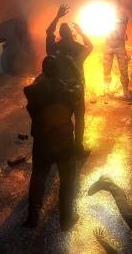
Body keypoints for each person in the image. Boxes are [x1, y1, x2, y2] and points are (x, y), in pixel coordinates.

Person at [22, 56, 82, 231]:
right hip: (64, 140)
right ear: (60, 71)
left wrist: (41, 80)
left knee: (39, 176)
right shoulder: (69, 90)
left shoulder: (34, 90)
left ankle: (32, 218)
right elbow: (78, 85)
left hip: (42, 139)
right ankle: (66, 219)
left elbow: (28, 90)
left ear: (44, 71)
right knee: (67, 179)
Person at [46, 4, 93, 157]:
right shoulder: (78, 48)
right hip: (77, 89)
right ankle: (78, 149)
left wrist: (57, 17)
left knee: (62, 120)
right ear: (72, 34)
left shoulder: (54, 49)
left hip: (60, 89)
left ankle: (63, 149)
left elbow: (48, 32)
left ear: (60, 34)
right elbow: (90, 46)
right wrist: (81, 32)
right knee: (79, 119)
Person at [104, 0, 130, 98]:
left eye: (115, 5)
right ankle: (106, 89)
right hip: (108, 45)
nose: (113, 6)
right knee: (106, 69)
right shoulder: (106, 15)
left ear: (119, 6)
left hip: (119, 45)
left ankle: (125, 91)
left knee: (123, 69)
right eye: (112, 5)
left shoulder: (123, 15)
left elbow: (123, 21)